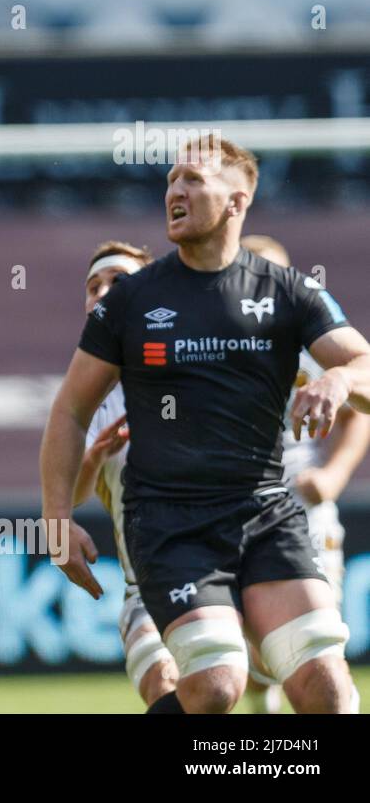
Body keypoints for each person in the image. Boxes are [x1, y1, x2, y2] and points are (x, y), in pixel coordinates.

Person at [42, 136, 370, 713]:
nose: (175, 190)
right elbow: (70, 410)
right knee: (218, 685)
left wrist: (337, 380)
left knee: (328, 689)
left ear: (237, 200)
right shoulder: (131, 302)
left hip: (267, 510)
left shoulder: (288, 292)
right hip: (171, 522)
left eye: (192, 179)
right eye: (171, 180)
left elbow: (362, 363)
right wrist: (56, 521)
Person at [238, 233, 370, 712]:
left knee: (316, 652)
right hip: (228, 513)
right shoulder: (205, 341)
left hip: (301, 510)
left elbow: (360, 406)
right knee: (256, 660)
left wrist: (333, 474)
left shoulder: (308, 339)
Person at [69, 240, 179, 707]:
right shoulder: (81, 401)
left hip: (233, 572)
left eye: (118, 281)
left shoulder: (193, 363)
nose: (103, 292)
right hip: (148, 588)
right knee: (164, 685)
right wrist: (93, 458)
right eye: (93, 286)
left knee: (309, 679)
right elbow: (71, 496)